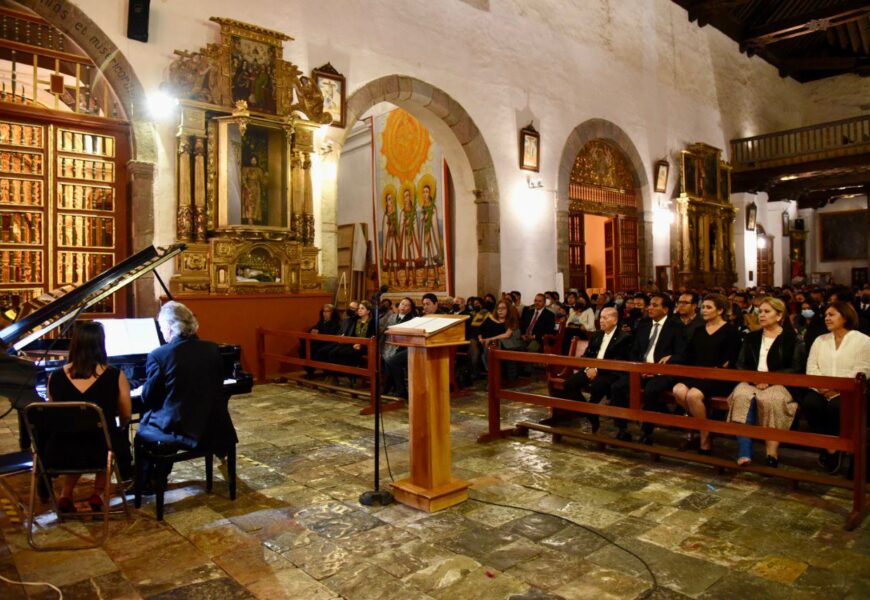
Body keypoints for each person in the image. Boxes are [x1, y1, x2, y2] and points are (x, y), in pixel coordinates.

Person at [138, 302, 235, 483]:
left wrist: (140, 388)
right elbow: (216, 384)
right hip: (211, 422)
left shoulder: (159, 355)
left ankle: (147, 482)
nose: (161, 332)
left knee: (143, 428)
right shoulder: (212, 349)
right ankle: (157, 477)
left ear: (170, 327)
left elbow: (149, 397)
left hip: (179, 426)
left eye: (161, 327)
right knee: (170, 412)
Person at [46, 321, 132, 513]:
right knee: (109, 436)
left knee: (78, 434)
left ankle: (65, 495)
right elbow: (126, 413)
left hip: (62, 450)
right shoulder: (115, 375)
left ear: (74, 343)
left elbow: (53, 415)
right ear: (101, 344)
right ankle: (98, 493)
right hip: (100, 450)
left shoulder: (55, 376)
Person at [727, 297, 805, 467]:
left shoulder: (793, 339)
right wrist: (754, 378)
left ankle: (772, 452)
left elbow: (796, 367)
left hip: (780, 382)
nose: (761, 315)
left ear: (779, 316)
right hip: (752, 380)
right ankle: (745, 452)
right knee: (741, 396)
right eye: (760, 311)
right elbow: (740, 364)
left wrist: (770, 380)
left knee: (772, 400)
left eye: (767, 312)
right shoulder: (751, 337)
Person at [800, 301, 870, 473]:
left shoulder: (862, 340)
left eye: (832, 315)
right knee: (810, 404)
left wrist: (837, 387)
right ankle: (829, 447)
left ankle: (837, 447)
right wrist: (823, 387)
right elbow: (812, 368)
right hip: (821, 389)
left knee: (836, 407)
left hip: (849, 390)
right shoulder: (820, 340)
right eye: (826, 316)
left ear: (845, 317)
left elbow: (863, 369)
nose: (827, 319)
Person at [610, 293, 686, 443]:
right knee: (617, 387)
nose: (649, 308)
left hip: (662, 372)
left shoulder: (676, 327)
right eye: (650, 304)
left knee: (652, 390)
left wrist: (662, 366)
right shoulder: (644, 324)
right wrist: (639, 368)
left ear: (665, 309)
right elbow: (634, 351)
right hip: (641, 370)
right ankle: (622, 428)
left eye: (654, 305)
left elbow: (682, 353)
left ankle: (647, 432)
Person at [671, 294, 741, 454]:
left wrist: (717, 369)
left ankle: (704, 435)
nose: (704, 310)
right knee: (678, 390)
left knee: (693, 396)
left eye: (709, 307)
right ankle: (703, 427)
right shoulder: (699, 330)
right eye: (703, 307)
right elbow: (688, 355)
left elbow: (731, 359)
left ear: (720, 310)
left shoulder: (730, 331)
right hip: (696, 373)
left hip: (718, 376)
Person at [547, 307, 631, 430]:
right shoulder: (597, 335)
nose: (601, 321)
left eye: (605, 318)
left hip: (609, 372)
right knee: (568, 385)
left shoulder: (624, 338)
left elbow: (618, 361)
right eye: (601, 317)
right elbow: (587, 355)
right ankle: (589, 413)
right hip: (590, 368)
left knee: (598, 385)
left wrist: (597, 370)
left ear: (614, 320)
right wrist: (589, 368)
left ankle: (591, 410)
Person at [382, 297, 416, 398]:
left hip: (404, 346)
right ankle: (394, 388)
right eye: (402, 304)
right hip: (390, 344)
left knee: (392, 361)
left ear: (410, 308)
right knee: (386, 358)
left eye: (406, 305)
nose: (403, 307)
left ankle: (393, 388)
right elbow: (385, 329)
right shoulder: (392, 317)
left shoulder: (413, 319)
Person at [327, 300, 376, 366]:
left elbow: (371, 338)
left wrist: (361, 345)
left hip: (365, 346)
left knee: (347, 353)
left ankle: (351, 373)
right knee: (337, 351)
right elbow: (353, 334)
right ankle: (337, 372)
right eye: (359, 308)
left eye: (362, 308)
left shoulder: (372, 322)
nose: (359, 310)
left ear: (368, 311)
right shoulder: (357, 321)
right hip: (354, 343)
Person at [478, 299, 521, 374]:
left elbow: (507, 335)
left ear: (508, 309)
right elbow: (479, 330)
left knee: (490, 349)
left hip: (502, 345)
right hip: (485, 343)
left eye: (503, 308)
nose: (500, 311)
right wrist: (480, 339)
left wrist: (490, 339)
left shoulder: (512, 320)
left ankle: (493, 375)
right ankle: (489, 374)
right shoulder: (490, 318)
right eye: (498, 308)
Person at [300, 303, 341, 375]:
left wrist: (318, 332)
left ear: (333, 313)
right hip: (318, 342)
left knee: (317, 350)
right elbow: (313, 329)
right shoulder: (321, 322)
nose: (325, 313)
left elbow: (331, 334)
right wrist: (312, 331)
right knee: (302, 349)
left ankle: (327, 372)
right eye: (324, 311)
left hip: (328, 344)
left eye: (327, 311)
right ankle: (310, 371)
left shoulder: (336, 323)